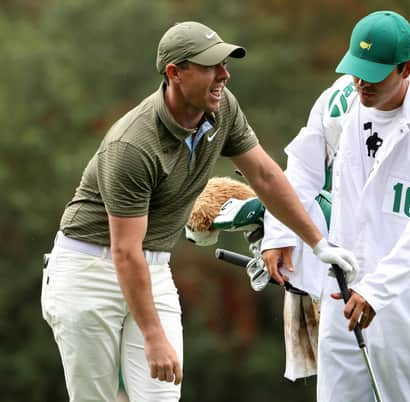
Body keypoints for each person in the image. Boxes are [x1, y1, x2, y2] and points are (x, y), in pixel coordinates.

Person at [40, 21, 357, 402]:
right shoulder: (132, 146)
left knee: (161, 396)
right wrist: (153, 336)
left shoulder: (222, 109)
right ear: (174, 73)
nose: (224, 74)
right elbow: (125, 250)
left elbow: (266, 176)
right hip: (88, 273)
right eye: (210, 66)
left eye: (224, 64)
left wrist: (317, 243)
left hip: (150, 267)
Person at [261, 10, 410, 402]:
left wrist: (376, 291)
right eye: (355, 70)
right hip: (341, 294)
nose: (360, 83)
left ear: (406, 68)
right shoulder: (339, 102)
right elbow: (302, 170)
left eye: (374, 74)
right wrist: (279, 233)